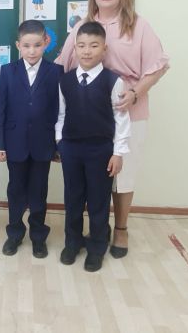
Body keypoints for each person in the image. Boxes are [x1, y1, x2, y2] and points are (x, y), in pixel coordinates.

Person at [56, 0, 169, 258]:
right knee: (91, 182)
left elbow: (158, 66)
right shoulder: (83, 26)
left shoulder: (138, 25)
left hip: (128, 106)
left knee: (123, 173)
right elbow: (63, 63)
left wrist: (135, 93)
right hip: (87, 114)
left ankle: (120, 229)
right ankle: (86, 235)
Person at [56, 22, 131, 272]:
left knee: (98, 200)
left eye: (93, 45)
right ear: (75, 49)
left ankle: (97, 247)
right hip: (71, 149)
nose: (87, 51)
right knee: (73, 198)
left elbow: (121, 119)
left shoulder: (113, 81)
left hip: (101, 151)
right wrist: (60, 143)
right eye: (81, 46)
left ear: (104, 49)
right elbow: (61, 115)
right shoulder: (65, 81)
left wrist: (118, 153)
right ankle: (72, 242)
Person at [0, 20, 63, 258]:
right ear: (18, 46)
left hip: (43, 144)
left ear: (45, 43)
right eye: (26, 46)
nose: (32, 51)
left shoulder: (55, 72)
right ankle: (14, 233)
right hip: (15, 143)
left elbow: (58, 110)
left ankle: (38, 236)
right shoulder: (8, 71)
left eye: (37, 45)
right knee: (16, 190)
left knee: (39, 191)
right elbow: (1, 110)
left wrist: (57, 145)